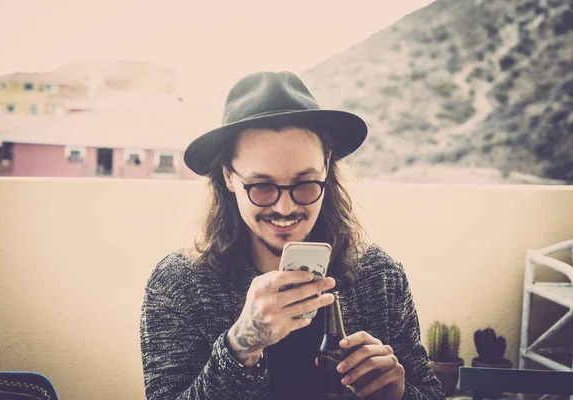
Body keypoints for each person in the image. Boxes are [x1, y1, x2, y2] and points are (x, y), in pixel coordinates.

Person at [140, 71, 444, 400]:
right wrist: (240, 345)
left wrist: (398, 393)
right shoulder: (178, 285)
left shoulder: (380, 276)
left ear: (327, 169)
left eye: (304, 183)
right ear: (229, 177)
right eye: (262, 186)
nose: (285, 208)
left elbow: (429, 392)